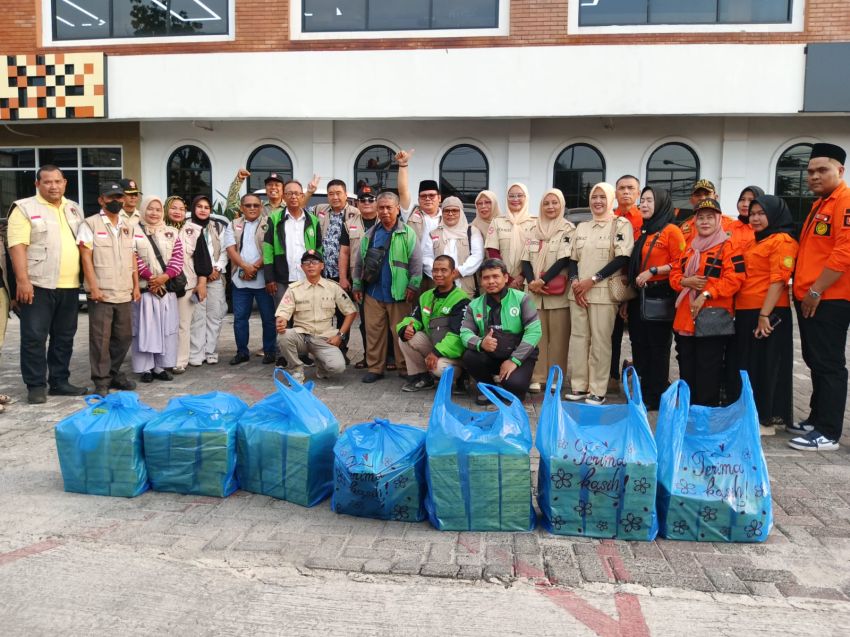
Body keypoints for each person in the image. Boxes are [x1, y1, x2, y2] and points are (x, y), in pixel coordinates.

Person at [7, 165, 88, 403]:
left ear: (65, 183)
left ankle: (60, 382)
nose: (53, 186)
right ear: (37, 184)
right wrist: (22, 282)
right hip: (38, 284)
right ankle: (35, 386)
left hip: (70, 285)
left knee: (64, 336)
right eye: (47, 182)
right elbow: (17, 247)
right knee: (34, 336)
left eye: (57, 181)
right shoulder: (24, 208)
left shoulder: (74, 208)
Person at [788, 142, 850, 452]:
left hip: (830, 298)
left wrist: (815, 290)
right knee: (814, 359)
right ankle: (817, 418)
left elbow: (844, 253)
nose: (813, 176)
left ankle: (828, 432)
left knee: (829, 364)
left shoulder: (845, 201)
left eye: (822, 170)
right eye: (810, 171)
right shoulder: (821, 203)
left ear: (840, 170)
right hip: (811, 297)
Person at [669, 198, 743, 407]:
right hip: (685, 318)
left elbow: (735, 279)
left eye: (710, 217)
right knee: (686, 365)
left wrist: (707, 293)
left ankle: (706, 412)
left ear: (719, 219)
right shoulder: (690, 248)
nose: (705, 222)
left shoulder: (729, 246)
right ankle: (688, 408)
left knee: (708, 368)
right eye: (700, 217)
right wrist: (685, 281)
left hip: (712, 317)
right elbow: (675, 273)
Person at [734, 195, 798, 436]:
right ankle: (752, 414)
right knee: (750, 365)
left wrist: (764, 314)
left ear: (775, 214)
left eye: (761, 213)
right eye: (753, 213)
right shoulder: (756, 241)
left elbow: (779, 281)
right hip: (747, 310)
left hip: (767, 312)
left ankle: (766, 419)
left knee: (766, 365)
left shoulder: (782, 241)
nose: (756, 218)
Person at [565, 182, 634, 405]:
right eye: (594, 197)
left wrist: (592, 281)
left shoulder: (620, 225)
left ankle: (597, 389)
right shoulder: (582, 227)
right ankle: (579, 386)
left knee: (601, 342)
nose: (597, 201)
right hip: (578, 293)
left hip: (602, 293)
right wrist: (576, 283)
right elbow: (573, 259)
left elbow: (622, 258)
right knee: (578, 340)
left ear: (611, 199)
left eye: (602, 197)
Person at [76, 181, 139, 396]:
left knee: (124, 337)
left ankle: (112, 373)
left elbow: (132, 256)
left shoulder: (127, 225)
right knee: (100, 339)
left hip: (123, 290)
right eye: (111, 197)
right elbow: (86, 257)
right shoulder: (90, 224)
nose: (116, 201)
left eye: (119, 197)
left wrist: (135, 285)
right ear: (101, 200)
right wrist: (92, 287)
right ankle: (101, 381)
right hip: (101, 291)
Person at [352, 191, 422, 383]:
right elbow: (359, 263)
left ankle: (404, 367)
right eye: (381, 207)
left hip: (399, 293)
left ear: (397, 209)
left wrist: (413, 286)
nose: (384, 211)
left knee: (399, 332)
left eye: (388, 207)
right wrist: (357, 285)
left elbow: (416, 263)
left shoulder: (407, 233)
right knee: (373, 332)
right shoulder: (370, 234)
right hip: (374, 292)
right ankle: (375, 367)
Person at [626, 186, 685, 410]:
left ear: (660, 203)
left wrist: (654, 271)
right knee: (639, 345)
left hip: (659, 295)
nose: (645, 204)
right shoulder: (645, 231)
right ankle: (643, 391)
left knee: (657, 348)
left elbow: (682, 263)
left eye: (650, 200)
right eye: (642, 200)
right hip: (638, 297)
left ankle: (656, 393)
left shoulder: (671, 231)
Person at [460, 258, 541, 405]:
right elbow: (464, 333)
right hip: (491, 355)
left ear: (505, 277)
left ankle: (511, 381)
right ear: (481, 281)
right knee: (469, 356)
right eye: (486, 278)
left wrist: (513, 360)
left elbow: (534, 332)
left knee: (514, 387)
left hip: (518, 356)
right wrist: (481, 343)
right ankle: (489, 388)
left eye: (495, 276)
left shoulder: (522, 299)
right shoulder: (474, 305)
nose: (491, 281)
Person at [520, 188, 575, 394]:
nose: (550, 207)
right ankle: (537, 376)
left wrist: (542, 280)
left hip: (557, 293)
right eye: (546, 203)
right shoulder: (534, 229)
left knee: (559, 338)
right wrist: (532, 281)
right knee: (536, 336)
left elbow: (564, 260)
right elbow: (525, 259)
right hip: (534, 292)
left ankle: (555, 376)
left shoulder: (568, 229)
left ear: (561, 205)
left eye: (555, 203)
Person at [275, 250, 358, 383]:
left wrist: (340, 336)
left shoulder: (333, 287)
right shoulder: (294, 289)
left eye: (314, 262)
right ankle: (296, 370)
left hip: (324, 338)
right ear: (302, 267)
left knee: (338, 367)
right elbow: (283, 312)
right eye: (306, 262)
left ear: (322, 266)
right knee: (283, 336)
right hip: (301, 336)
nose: (310, 265)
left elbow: (351, 312)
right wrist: (281, 321)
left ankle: (321, 365)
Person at [396, 255, 470, 392]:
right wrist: (406, 328)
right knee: (405, 338)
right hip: (435, 346)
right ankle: (423, 378)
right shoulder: (426, 296)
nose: (438, 274)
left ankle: (462, 377)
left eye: (443, 270)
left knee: (439, 368)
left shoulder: (461, 299)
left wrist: (436, 353)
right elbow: (414, 318)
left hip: (455, 353)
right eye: (435, 270)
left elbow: (457, 335)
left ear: (453, 273)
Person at [132, 195, 183, 383]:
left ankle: (160, 366)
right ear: (143, 210)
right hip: (145, 290)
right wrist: (150, 277)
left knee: (165, 329)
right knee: (145, 329)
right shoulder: (133, 231)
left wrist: (164, 277)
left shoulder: (171, 232)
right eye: (150, 209)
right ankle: (145, 368)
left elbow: (178, 258)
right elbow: (132, 257)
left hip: (165, 290)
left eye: (158, 209)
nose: (154, 213)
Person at [223, 194, 277, 366]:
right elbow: (231, 250)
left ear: (261, 207)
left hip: (264, 281)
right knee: (240, 318)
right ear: (242, 207)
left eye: (255, 205)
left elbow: (272, 249)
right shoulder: (233, 225)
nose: (252, 208)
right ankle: (242, 352)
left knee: (268, 318)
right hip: (241, 281)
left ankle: (270, 351)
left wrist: (254, 267)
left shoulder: (269, 223)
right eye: (248, 205)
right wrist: (245, 267)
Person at [263, 179, 323, 309]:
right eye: (289, 193)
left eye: (297, 193)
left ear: (302, 196)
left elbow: (319, 248)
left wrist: (317, 274)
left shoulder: (313, 220)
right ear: (284, 196)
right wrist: (269, 278)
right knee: (283, 320)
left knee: (307, 318)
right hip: (282, 279)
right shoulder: (274, 218)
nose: (293, 197)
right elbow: (268, 249)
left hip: (307, 277)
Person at [609, 175, 643, 392]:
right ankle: (611, 375)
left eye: (631, 188)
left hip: (635, 284)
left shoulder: (643, 219)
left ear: (638, 193)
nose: (626, 192)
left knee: (637, 336)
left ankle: (638, 375)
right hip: (608, 281)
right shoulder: (608, 217)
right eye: (621, 188)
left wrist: (629, 294)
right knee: (610, 333)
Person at [187, 195, 229, 367]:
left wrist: (217, 268)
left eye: (206, 207)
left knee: (214, 315)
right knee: (197, 316)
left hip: (216, 277)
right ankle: (196, 353)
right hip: (195, 278)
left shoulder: (218, 226)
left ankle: (210, 351)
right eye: (199, 206)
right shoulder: (186, 227)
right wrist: (203, 272)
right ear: (193, 208)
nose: (203, 210)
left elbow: (225, 250)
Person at [170, 195, 208, 374]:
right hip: (162, 285)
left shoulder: (194, 230)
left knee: (183, 324)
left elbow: (202, 260)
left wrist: (201, 283)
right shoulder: (157, 229)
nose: (177, 212)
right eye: (173, 208)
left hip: (186, 285)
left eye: (180, 208)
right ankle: (162, 360)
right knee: (164, 325)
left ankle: (180, 361)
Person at [344, 185, 380, 370]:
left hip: (383, 279)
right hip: (360, 278)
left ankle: (388, 358)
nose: (366, 203)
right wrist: (344, 277)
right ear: (357, 203)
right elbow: (344, 253)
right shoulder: (349, 223)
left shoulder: (386, 219)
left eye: (371, 199)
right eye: (363, 200)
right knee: (366, 322)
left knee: (386, 321)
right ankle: (369, 356)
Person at [422, 196, 484, 296]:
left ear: (461, 212)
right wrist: (440, 274)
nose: (450, 214)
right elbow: (426, 257)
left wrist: (459, 272)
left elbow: (477, 256)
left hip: (465, 288)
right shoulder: (434, 233)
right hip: (439, 287)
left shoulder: (472, 232)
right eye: (447, 211)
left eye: (455, 210)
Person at [485, 182, 536, 287]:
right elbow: (493, 252)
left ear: (526, 198)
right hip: (502, 281)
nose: (515, 199)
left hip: (529, 280)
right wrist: (506, 277)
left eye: (519, 195)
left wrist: (523, 276)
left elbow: (536, 254)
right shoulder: (497, 222)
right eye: (511, 196)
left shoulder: (536, 223)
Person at [729, 185, 764, 253]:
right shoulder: (726, 227)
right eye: (742, 199)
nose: (745, 204)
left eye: (751, 200)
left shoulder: (765, 231)